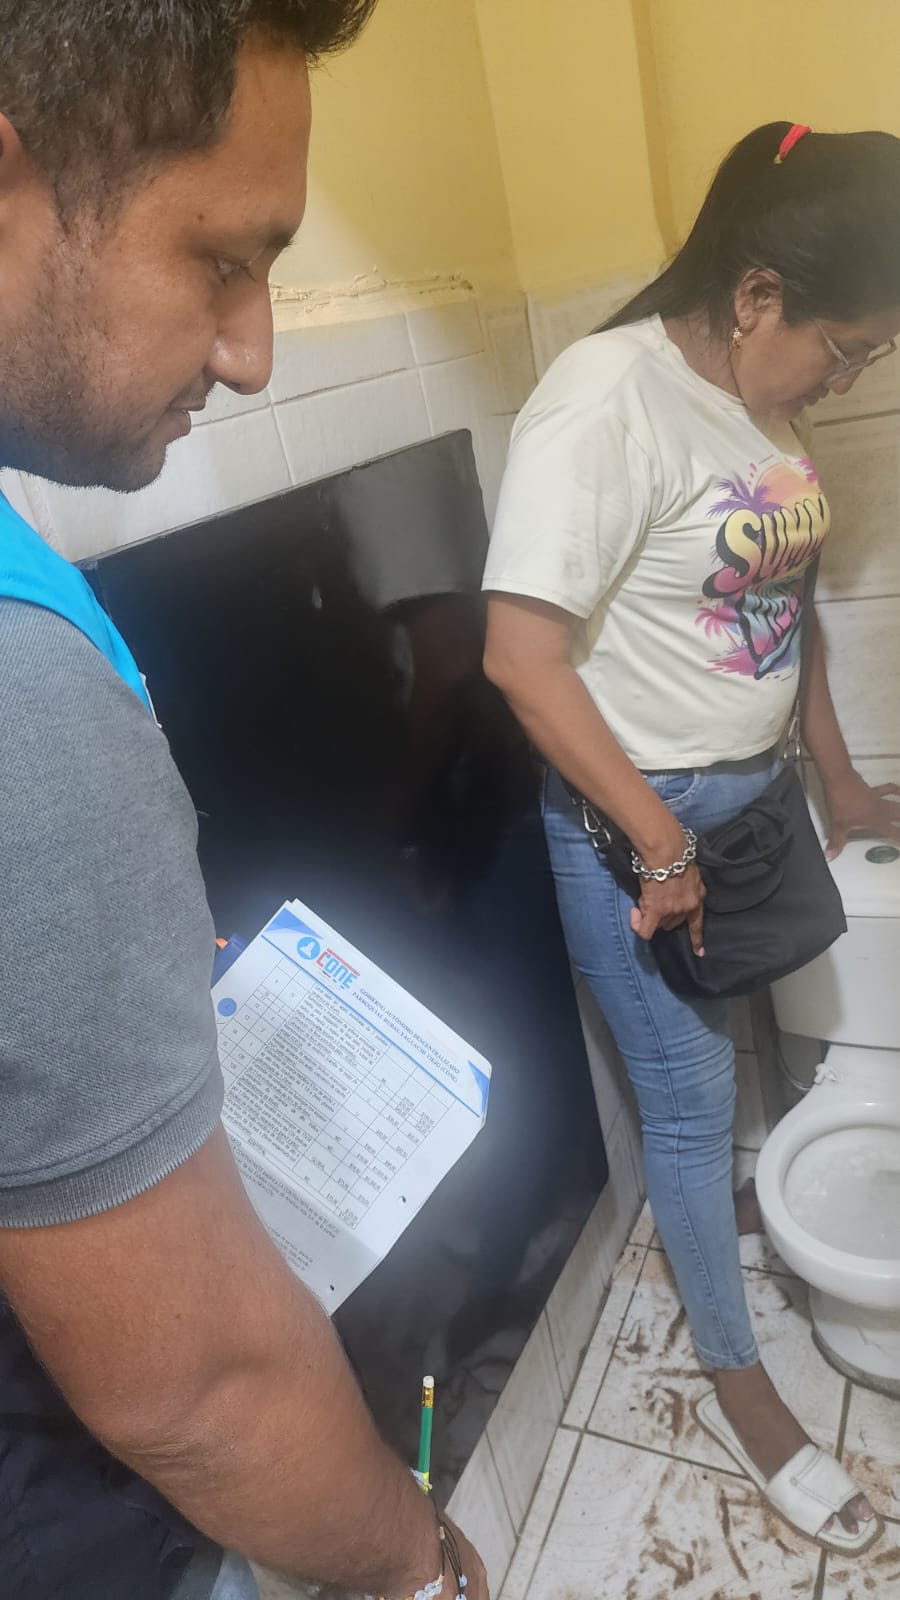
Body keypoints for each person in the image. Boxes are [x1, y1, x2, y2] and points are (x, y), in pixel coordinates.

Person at [0, 6, 489, 1600]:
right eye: (222, 259)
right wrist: (419, 1564)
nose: (254, 351)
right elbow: (199, 1387)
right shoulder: (23, 684)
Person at [482, 121, 900, 1555]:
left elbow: (785, 607)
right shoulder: (606, 400)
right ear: (759, 294)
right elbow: (521, 657)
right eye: (845, 349)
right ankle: (741, 1383)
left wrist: (841, 781)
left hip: (753, 801)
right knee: (688, 1097)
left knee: (760, 1042)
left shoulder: (761, 405)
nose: (849, 378)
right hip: (633, 827)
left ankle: (735, 1203)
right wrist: (662, 847)